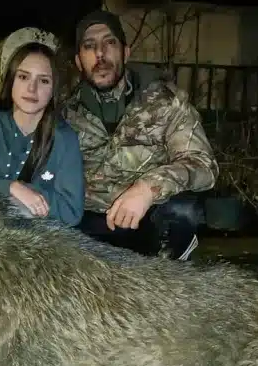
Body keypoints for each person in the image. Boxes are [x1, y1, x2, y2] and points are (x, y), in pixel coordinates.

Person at [63, 10, 219, 260]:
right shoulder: (64, 115)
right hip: (87, 227)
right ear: (79, 61)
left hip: (148, 221)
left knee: (182, 211)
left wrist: (148, 188)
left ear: (126, 52)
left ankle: (169, 274)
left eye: (109, 43)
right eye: (89, 46)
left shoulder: (167, 102)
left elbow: (203, 165)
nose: (100, 55)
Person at [0, 40, 85, 227]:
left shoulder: (64, 138)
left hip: (38, 241)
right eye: (23, 77)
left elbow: (71, 211)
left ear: (53, 90)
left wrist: (31, 195)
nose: (32, 88)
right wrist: (11, 188)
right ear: (11, 81)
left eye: (43, 80)